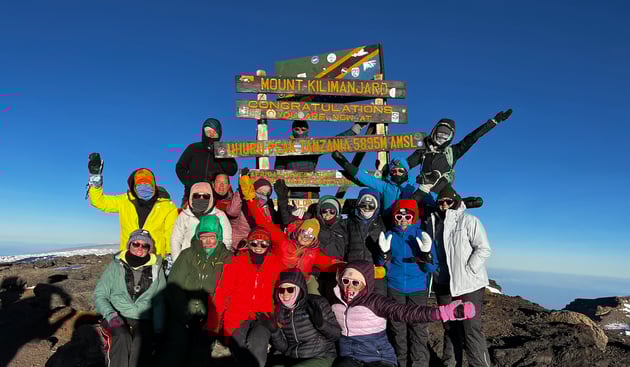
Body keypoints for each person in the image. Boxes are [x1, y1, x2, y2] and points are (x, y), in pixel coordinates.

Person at [330, 260, 476, 367]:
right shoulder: (335, 303)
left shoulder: (375, 302)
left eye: (356, 283)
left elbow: (406, 312)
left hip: (379, 359)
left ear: (366, 284)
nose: (349, 287)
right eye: (346, 281)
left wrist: (443, 312)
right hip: (349, 359)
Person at [239, 173, 342, 295]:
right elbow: (262, 221)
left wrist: (359, 269)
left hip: (297, 289)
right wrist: (250, 198)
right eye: (304, 232)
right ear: (299, 231)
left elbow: (330, 264)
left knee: (313, 289)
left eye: (310, 236)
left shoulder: (314, 254)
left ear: (314, 239)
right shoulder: (282, 240)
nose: (305, 237)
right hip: (275, 284)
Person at [424, 185, 492, 367]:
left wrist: (469, 270)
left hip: (469, 284)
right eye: (441, 202)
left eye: (448, 201)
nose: (444, 205)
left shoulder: (469, 221)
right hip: (443, 283)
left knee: (471, 329)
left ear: (456, 202)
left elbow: (483, 248)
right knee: (449, 328)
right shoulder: (432, 222)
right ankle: (451, 364)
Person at [159, 215, 232, 367]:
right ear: (198, 236)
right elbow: (174, 284)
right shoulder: (188, 255)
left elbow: (229, 290)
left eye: (212, 237)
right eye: (203, 237)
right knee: (175, 349)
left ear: (218, 236)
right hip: (183, 312)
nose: (208, 242)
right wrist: (184, 311)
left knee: (199, 352)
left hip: (210, 314)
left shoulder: (227, 258)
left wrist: (212, 315)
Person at [210, 227, 285, 367]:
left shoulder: (276, 265)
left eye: (263, 244)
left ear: (268, 246)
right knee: (238, 347)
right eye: (254, 243)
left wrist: (278, 316)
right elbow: (222, 292)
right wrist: (214, 322)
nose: (258, 247)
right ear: (248, 243)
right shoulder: (236, 262)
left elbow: (283, 293)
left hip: (264, 316)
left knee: (257, 345)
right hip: (238, 315)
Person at [377, 200, 437, 367]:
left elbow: (432, 267)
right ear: (395, 217)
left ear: (414, 217)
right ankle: (400, 363)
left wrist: (426, 255)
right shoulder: (389, 235)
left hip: (417, 288)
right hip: (395, 287)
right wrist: (384, 254)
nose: (403, 219)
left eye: (408, 215)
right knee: (398, 329)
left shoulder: (421, 235)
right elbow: (381, 264)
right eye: (399, 215)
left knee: (418, 328)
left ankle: (419, 364)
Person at [94, 229, 166, 367]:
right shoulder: (115, 266)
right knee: (121, 337)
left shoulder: (157, 268)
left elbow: (159, 300)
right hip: (117, 314)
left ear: (149, 249)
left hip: (143, 317)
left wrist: (158, 329)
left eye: (145, 245)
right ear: (129, 245)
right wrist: (111, 315)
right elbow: (100, 294)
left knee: (141, 342)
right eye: (136, 244)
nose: (140, 248)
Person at [402, 109, 512, 196]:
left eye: (446, 134)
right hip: (421, 192)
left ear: (450, 136)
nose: (442, 137)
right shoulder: (423, 151)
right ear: (434, 132)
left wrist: (493, 122)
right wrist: (395, 172)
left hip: (441, 197)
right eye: (440, 133)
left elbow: (473, 137)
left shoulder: (453, 151)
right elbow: (405, 165)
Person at [88, 163, 178, 257]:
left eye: (147, 184)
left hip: (156, 259)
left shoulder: (168, 206)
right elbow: (98, 201)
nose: (144, 187)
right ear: (134, 187)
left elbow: (171, 234)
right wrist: (95, 177)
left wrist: (170, 256)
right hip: (128, 257)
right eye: (140, 184)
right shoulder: (124, 201)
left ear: (154, 185)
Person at [332, 153, 436, 225]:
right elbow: (364, 178)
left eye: (400, 171)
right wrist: (345, 163)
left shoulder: (412, 186)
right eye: (394, 171)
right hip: (388, 222)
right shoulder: (385, 186)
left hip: (408, 221)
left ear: (406, 172)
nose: (397, 173)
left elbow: (431, 197)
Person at [265, 269, 341, 367]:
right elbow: (284, 348)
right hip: (294, 358)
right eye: (281, 290)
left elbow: (336, 335)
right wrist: (275, 332)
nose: (285, 294)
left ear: (299, 289)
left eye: (290, 289)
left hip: (321, 356)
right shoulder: (280, 312)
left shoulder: (317, 303)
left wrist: (322, 325)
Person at [274, 120, 366, 199]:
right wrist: (282, 196)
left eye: (303, 129)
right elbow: (278, 173)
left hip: (311, 194)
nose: (300, 132)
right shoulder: (285, 149)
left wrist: (355, 129)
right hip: (291, 196)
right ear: (292, 130)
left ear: (307, 131)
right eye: (297, 129)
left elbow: (333, 142)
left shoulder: (313, 146)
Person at [175, 117, 238, 208]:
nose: (211, 134)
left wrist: (220, 154)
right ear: (203, 132)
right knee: (187, 220)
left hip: (217, 199)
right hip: (193, 195)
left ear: (219, 134)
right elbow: (180, 167)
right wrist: (189, 183)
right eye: (208, 131)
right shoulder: (193, 148)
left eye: (215, 132)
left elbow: (232, 171)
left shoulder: (223, 150)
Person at [169, 181, 233, 261]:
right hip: (188, 261)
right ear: (191, 197)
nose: (201, 198)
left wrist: (218, 259)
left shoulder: (220, 215)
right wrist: (177, 261)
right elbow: (175, 239)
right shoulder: (185, 215)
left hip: (212, 262)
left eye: (205, 196)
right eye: (197, 196)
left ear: (211, 198)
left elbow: (227, 240)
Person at [344, 189, 387, 295]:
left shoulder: (383, 224)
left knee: (376, 305)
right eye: (363, 205)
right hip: (354, 272)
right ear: (358, 205)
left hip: (375, 272)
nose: (367, 209)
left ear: (376, 207)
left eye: (371, 206)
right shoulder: (349, 223)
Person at [226, 172, 282, 251]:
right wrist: (241, 192)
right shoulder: (243, 203)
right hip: (237, 243)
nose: (262, 196)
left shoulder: (266, 209)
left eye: (265, 194)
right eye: (260, 192)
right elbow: (231, 212)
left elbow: (267, 228)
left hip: (256, 245)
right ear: (253, 190)